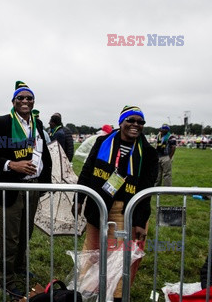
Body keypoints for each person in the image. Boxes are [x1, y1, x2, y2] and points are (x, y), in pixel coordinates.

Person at [74, 105, 158, 302]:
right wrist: (79, 198)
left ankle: (116, 295)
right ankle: (87, 291)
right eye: (131, 120)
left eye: (140, 122)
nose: (135, 125)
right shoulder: (103, 142)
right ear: (121, 122)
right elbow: (87, 170)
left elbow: (146, 191)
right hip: (99, 206)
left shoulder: (147, 152)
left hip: (126, 210)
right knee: (93, 250)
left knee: (120, 257)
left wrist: (139, 221)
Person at [0, 80, 52, 297]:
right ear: (13, 101)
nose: (25, 101)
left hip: (32, 187)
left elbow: (43, 154)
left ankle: (19, 267)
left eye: (29, 98)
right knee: (9, 237)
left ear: (33, 102)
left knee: (25, 233)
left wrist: (45, 183)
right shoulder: (2, 122)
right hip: (11, 188)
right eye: (20, 98)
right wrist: (11, 164)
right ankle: (6, 280)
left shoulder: (37, 124)